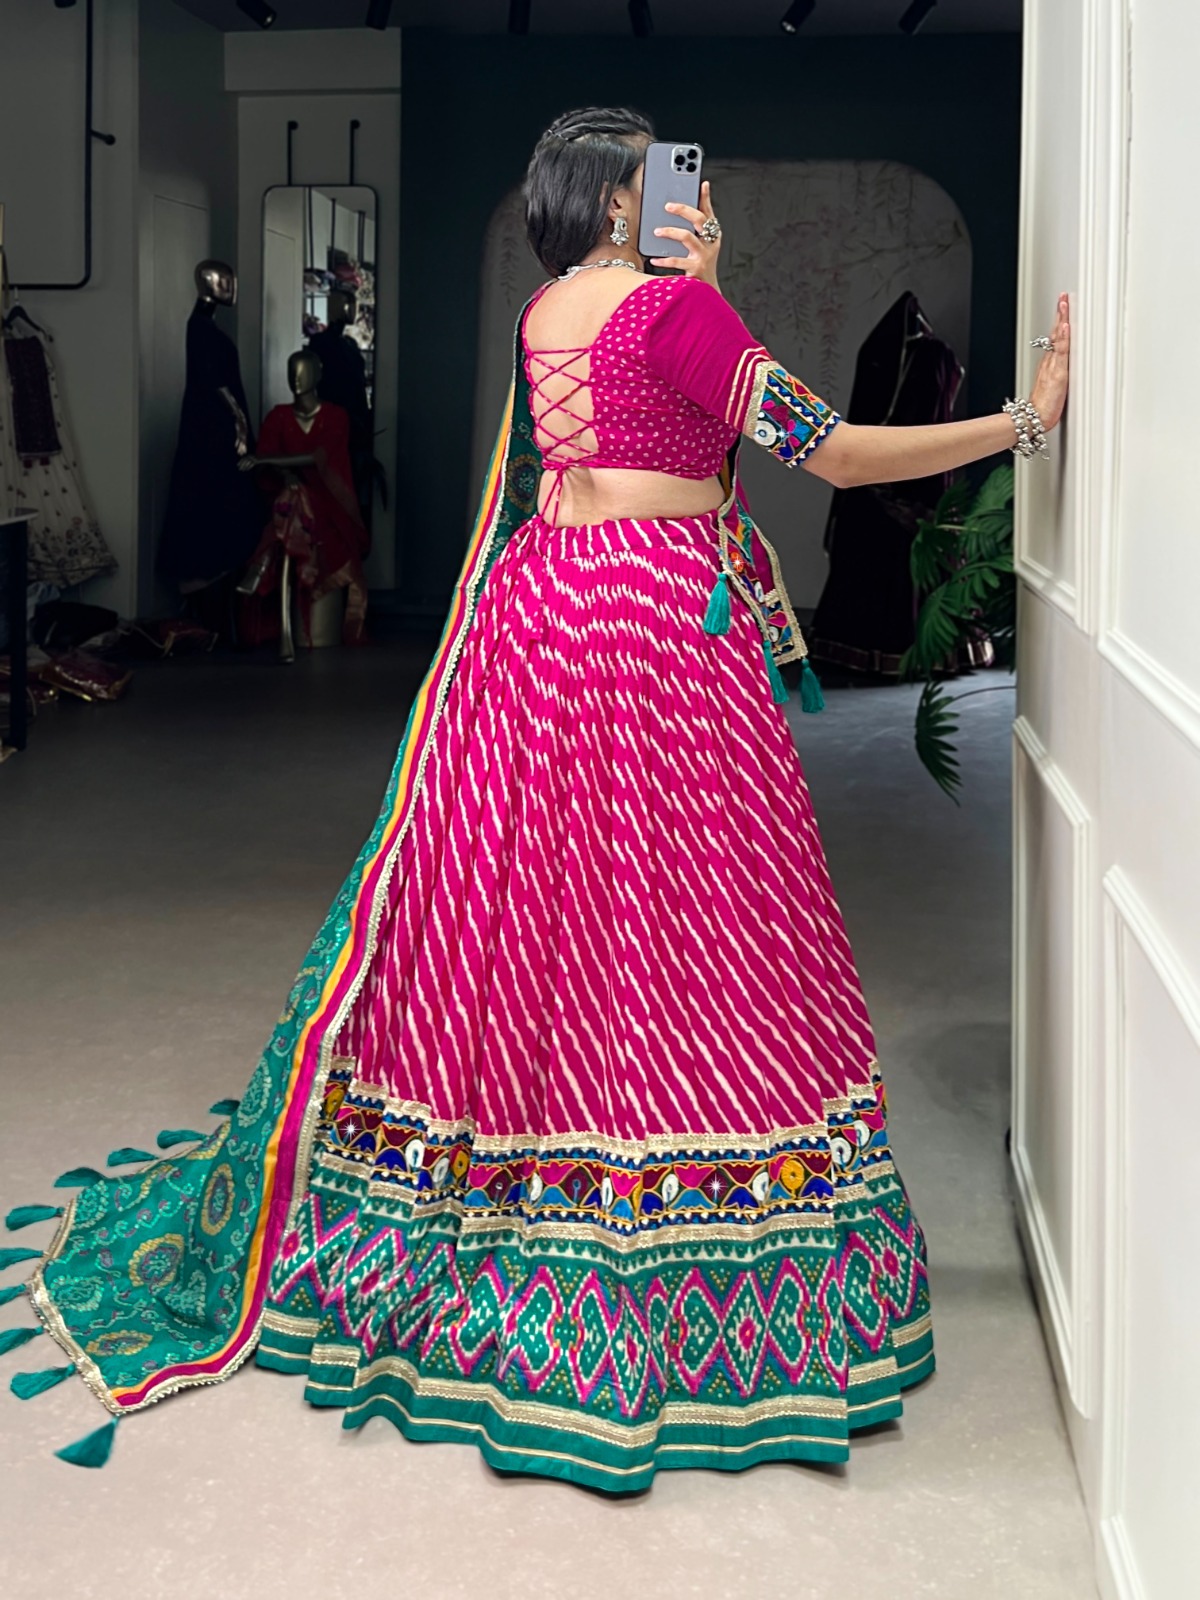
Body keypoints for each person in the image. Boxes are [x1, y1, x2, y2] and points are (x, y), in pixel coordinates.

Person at [1, 107, 1069, 1488]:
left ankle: (485, 1189)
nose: (679, 190)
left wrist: (709, 290)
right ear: (623, 202)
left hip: (538, 618)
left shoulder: (546, 311)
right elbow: (838, 453)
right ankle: (667, 1224)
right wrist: (1028, 422)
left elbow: (615, 447)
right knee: (687, 918)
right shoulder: (675, 313)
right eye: (656, 177)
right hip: (654, 633)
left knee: (527, 909)